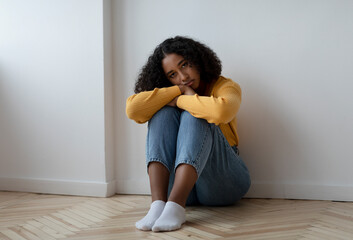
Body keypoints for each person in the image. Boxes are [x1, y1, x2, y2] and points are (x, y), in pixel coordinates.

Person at [126, 36, 251, 232]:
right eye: (172, 75)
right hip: (182, 186)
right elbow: (133, 110)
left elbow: (221, 112)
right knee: (162, 114)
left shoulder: (225, 86)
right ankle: (158, 205)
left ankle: (175, 206)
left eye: (185, 65)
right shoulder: (177, 88)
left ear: (197, 60)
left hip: (225, 184)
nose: (183, 77)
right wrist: (179, 90)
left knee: (197, 113)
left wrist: (182, 100)